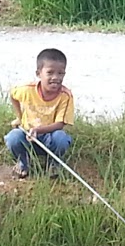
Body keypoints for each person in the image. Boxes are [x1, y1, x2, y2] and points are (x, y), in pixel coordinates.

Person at [5, 47, 74, 179]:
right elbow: (13, 95)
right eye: (50, 73)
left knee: (61, 138)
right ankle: (23, 163)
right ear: (38, 73)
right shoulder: (26, 90)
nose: (56, 78)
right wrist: (19, 118)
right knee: (13, 137)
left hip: (49, 138)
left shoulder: (66, 96)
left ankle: (53, 164)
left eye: (61, 73)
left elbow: (60, 124)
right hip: (27, 136)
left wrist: (38, 130)